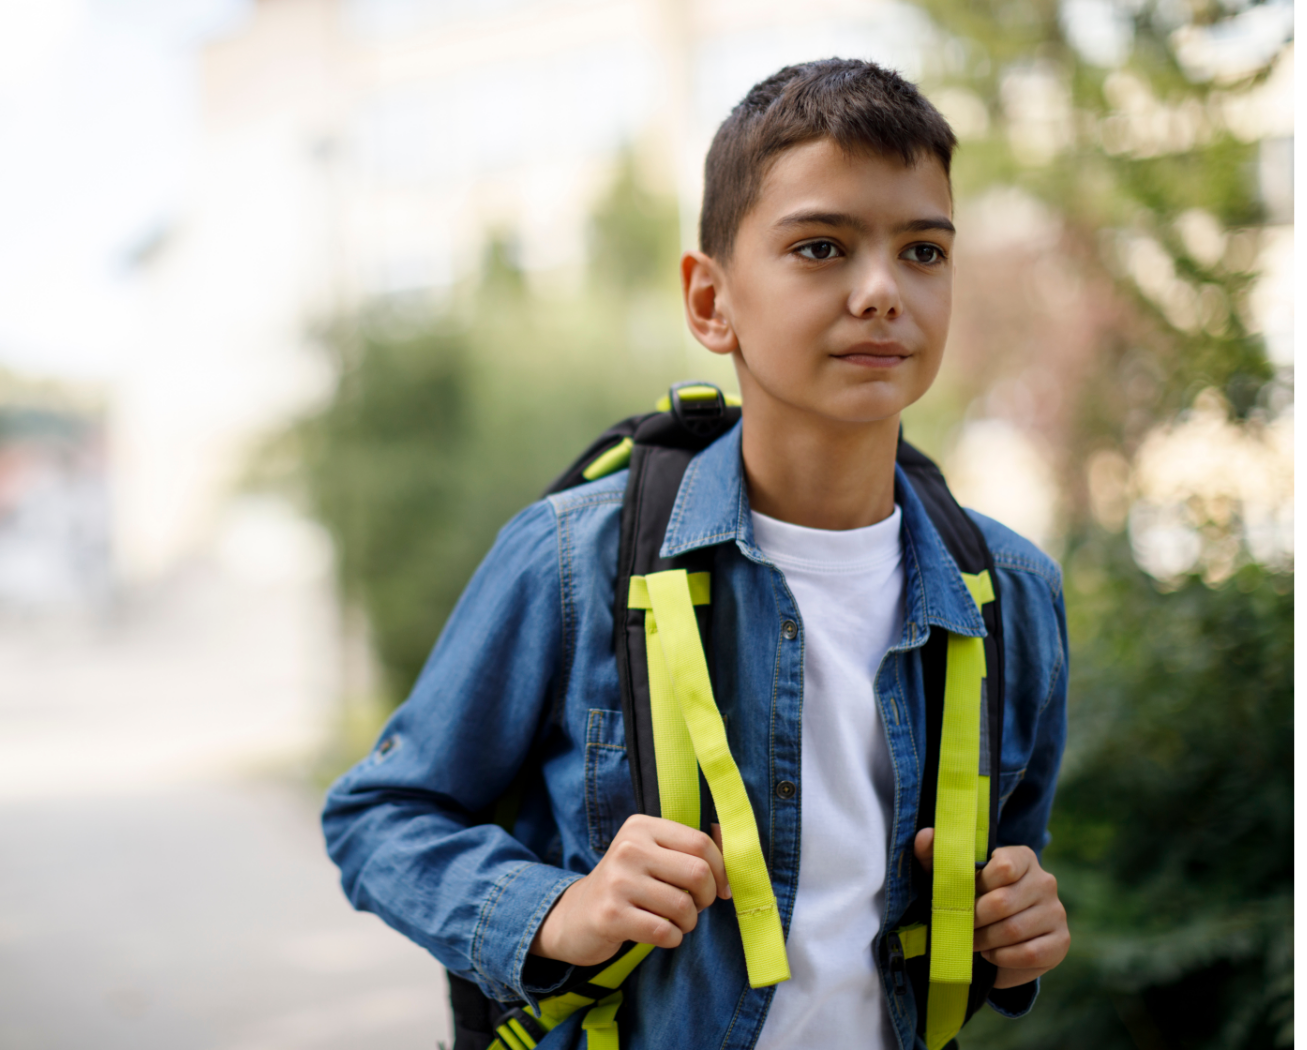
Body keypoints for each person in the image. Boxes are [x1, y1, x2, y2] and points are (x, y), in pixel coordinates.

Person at [322, 58, 1070, 1050]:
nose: (883, 290)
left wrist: (1014, 927)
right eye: (820, 247)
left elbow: (1005, 864)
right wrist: (555, 912)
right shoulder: (571, 562)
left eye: (924, 251)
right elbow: (378, 817)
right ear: (711, 301)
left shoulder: (1011, 594)